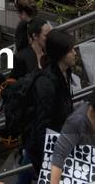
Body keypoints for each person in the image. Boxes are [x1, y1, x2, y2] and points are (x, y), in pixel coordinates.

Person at [23, 29, 76, 177]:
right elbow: (42, 125)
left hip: (58, 143)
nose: (75, 53)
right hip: (47, 149)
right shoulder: (46, 83)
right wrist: (48, 162)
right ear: (61, 54)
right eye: (71, 50)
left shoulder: (64, 73)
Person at [12, 14, 51, 78]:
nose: (49, 38)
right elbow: (16, 82)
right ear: (35, 36)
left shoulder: (49, 53)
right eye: (46, 35)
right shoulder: (21, 57)